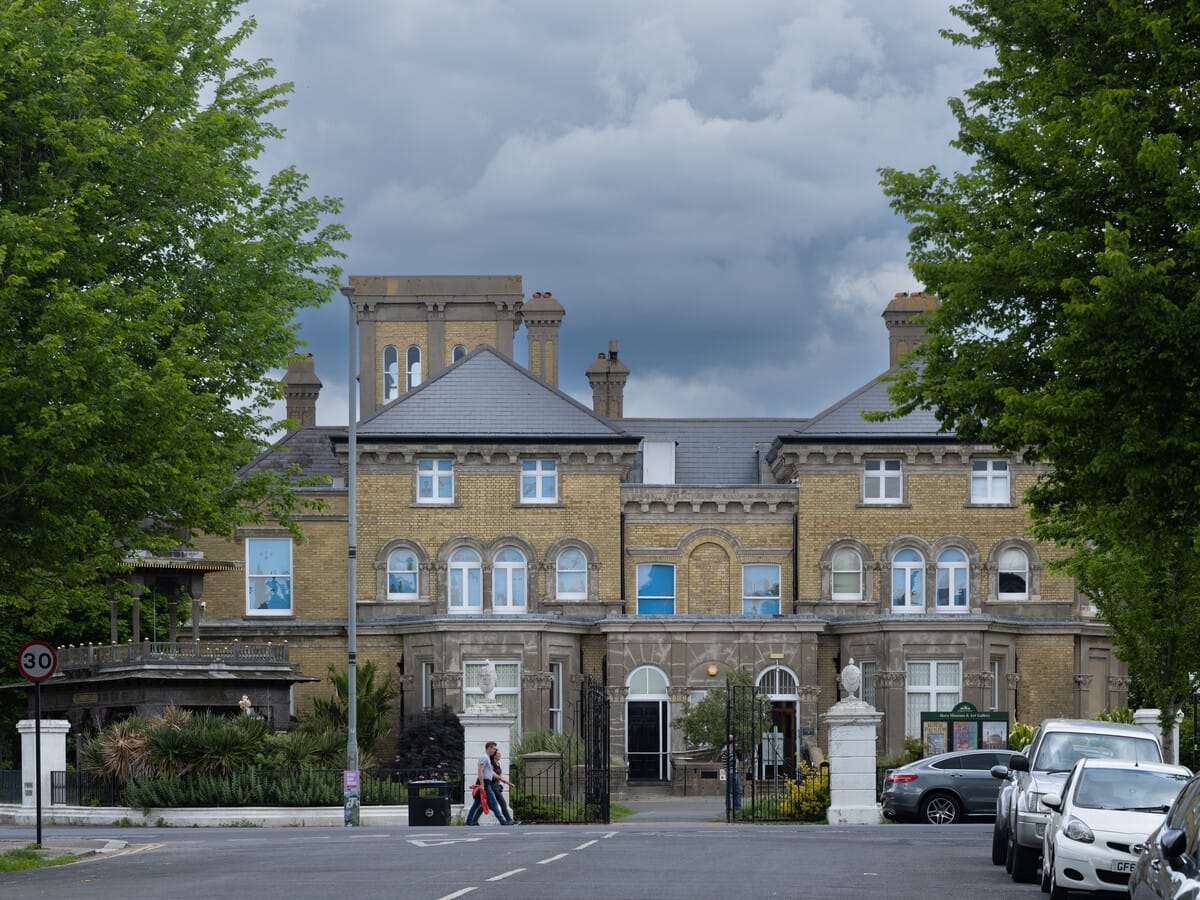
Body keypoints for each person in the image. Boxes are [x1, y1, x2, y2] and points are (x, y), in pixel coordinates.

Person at [465, 740, 512, 825]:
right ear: (489, 748)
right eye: (493, 749)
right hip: (485, 783)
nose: (494, 750)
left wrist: (504, 781)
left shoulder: (487, 758)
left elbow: (490, 773)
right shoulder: (484, 757)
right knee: (493, 803)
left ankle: (469, 821)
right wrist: (482, 785)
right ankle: (502, 821)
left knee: (477, 803)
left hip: (486, 783)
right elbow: (480, 771)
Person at [490, 747, 516, 824]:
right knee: (502, 803)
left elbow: (501, 776)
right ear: (494, 755)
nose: (500, 755)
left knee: (487, 804)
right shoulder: (491, 764)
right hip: (493, 785)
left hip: (497, 785)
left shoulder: (498, 764)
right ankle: (509, 820)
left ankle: (474, 820)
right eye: (498, 754)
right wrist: (509, 783)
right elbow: (494, 775)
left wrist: (508, 783)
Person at [720, 735, 743, 814]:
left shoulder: (731, 751)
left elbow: (738, 761)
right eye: (734, 743)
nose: (735, 745)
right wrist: (734, 753)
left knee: (738, 790)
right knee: (730, 791)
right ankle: (729, 808)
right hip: (730, 773)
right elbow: (731, 761)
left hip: (735, 772)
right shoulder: (726, 751)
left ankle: (738, 807)